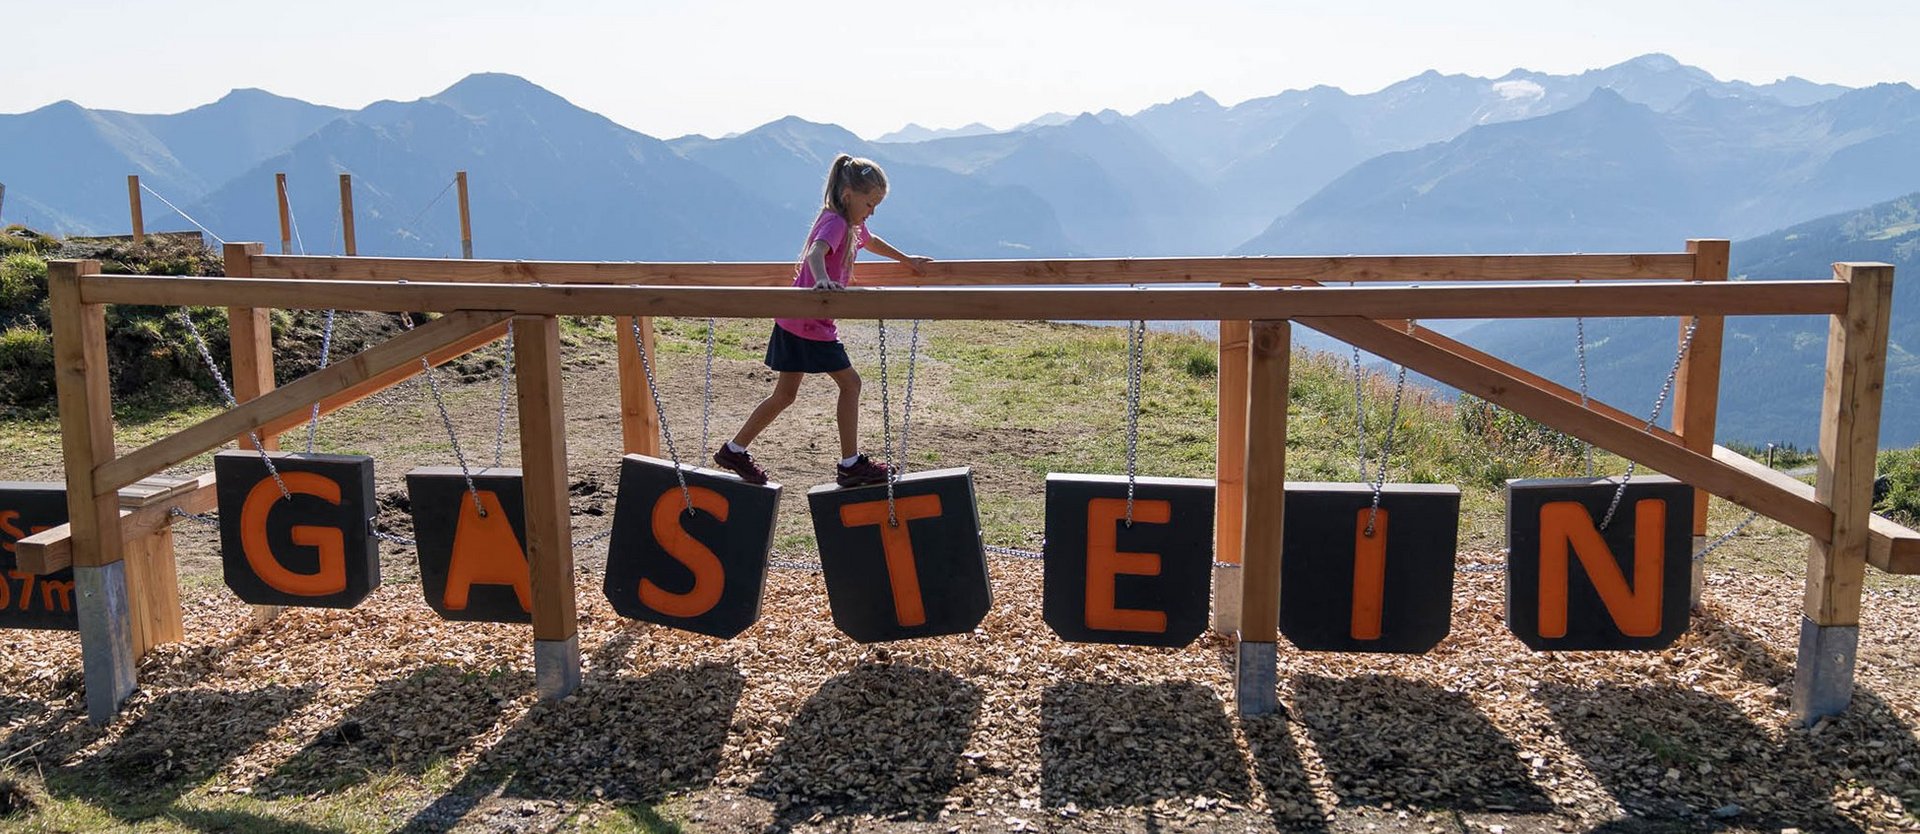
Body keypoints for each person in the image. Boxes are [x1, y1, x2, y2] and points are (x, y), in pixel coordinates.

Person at [712, 154, 932, 487]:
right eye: (870, 204)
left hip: (795, 321)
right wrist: (821, 281)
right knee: (851, 384)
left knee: (785, 395)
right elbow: (815, 253)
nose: (872, 211)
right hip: (810, 323)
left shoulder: (851, 224)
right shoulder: (836, 223)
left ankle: (734, 449)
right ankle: (850, 464)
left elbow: (870, 241)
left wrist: (906, 260)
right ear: (848, 195)